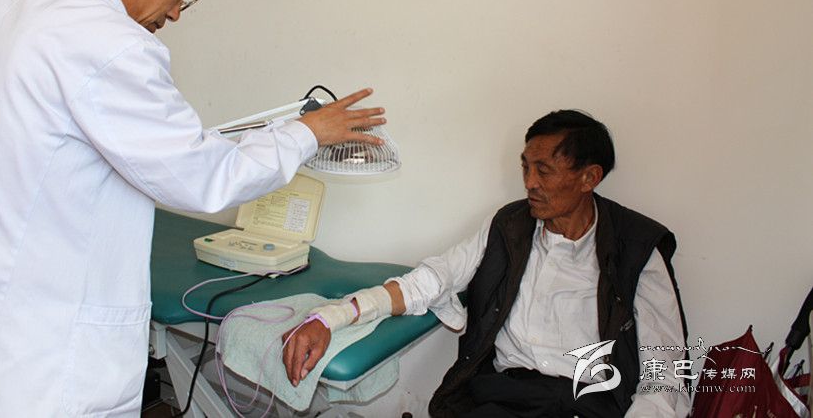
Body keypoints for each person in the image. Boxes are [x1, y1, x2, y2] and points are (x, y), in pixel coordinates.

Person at [0, 0, 385, 417]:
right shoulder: (111, 42)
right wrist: (308, 133)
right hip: (52, 361)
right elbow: (204, 176)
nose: (178, 12)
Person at [282, 110, 690, 418]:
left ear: (589, 178)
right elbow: (431, 280)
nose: (529, 182)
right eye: (525, 167)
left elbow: (666, 372)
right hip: (503, 398)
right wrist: (331, 317)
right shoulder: (509, 226)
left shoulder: (636, 249)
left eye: (544, 171)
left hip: (589, 404)